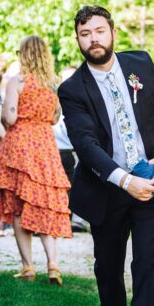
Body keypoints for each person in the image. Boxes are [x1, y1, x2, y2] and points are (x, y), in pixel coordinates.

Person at [58, 6, 154, 306]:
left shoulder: (140, 64)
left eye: (99, 30)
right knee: (108, 266)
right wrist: (125, 181)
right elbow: (86, 144)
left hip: (153, 181)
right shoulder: (72, 89)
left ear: (112, 32)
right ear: (78, 40)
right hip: (108, 188)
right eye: (85, 34)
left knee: (149, 261)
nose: (93, 39)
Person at [0, 36, 72, 284]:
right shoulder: (53, 85)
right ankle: (53, 265)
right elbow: (55, 117)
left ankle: (28, 266)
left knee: (19, 206)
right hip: (46, 145)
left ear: (24, 55)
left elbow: (9, 117)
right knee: (45, 204)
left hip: (20, 146)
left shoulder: (16, 81)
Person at [54, 66, 89, 232]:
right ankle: (59, 221)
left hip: (75, 149)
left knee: (76, 184)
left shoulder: (83, 98)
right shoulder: (54, 98)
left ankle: (75, 220)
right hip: (56, 148)